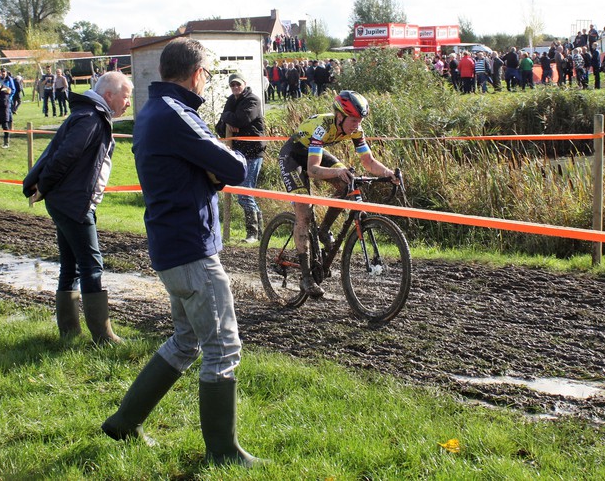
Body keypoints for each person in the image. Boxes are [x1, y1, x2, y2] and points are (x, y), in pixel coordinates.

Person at [103, 37, 262, 468]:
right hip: (191, 248)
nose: (207, 80)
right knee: (223, 348)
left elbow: (206, 168)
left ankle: (124, 421)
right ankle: (223, 452)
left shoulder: (156, 110)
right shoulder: (178, 114)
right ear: (196, 74)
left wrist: (206, 168)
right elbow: (234, 168)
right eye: (207, 73)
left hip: (172, 243)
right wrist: (213, 167)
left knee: (186, 340)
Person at [22, 71, 133, 344]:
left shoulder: (90, 115)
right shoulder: (92, 119)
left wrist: (45, 189)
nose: (128, 103)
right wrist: (43, 187)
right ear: (109, 95)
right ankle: (102, 335)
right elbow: (63, 157)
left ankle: (69, 332)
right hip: (73, 203)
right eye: (126, 96)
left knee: (70, 266)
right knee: (91, 265)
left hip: (67, 201)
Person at [278, 90, 398, 298]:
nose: (357, 124)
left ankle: (324, 230)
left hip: (315, 154)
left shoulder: (356, 130)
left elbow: (368, 161)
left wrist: (389, 173)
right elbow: (313, 170)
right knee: (304, 212)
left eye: (360, 120)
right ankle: (306, 276)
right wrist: (338, 171)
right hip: (293, 158)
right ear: (340, 116)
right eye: (353, 120)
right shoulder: (321, 128)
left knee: (347, 185)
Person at [215, 73, 266, 243]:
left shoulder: (253, 100)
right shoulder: (232, 100)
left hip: (253, 152)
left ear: (244, 83)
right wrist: (229, 121)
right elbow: (221, 125)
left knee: (244, 193)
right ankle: (260, 233)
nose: (235, 88)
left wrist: (230, 119)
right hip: (238, 153)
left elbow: (242, 119)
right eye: (232, 85)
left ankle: (252, 233)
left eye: (238, 84)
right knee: (244, 193)